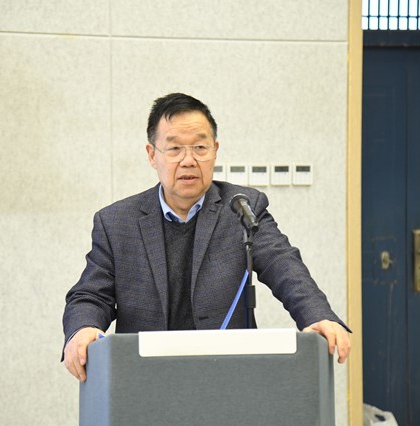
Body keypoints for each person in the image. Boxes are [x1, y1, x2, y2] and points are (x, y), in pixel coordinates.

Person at [62, 93, 351, 382]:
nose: (188, 160)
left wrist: (317, 316)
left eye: (200, 147)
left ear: (215, 150)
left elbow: (283, 265)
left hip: (227, 377)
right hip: (145, 378)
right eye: (174, 148)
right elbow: (91, 294)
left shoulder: (242, 207)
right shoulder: (117, 222)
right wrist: (83, 328)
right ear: (152, 155)